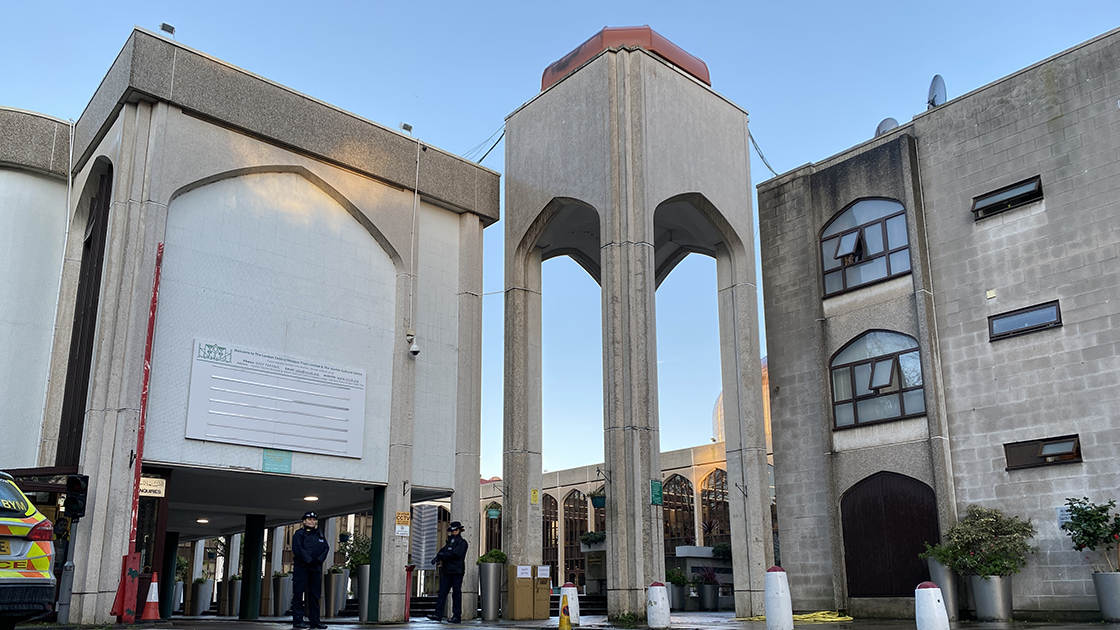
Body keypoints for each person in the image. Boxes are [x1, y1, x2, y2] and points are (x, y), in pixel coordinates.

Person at [291, 511, 329, 629]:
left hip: (315, 569)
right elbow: (298, 549)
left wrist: (318, 560)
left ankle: (315, 621)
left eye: (314, 519)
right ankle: (298, 621)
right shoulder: (299, 534)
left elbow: (326, 548)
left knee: (315, 595)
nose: (312, 521)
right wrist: (309, 560)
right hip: (302, 567)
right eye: (309, 520)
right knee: (298, 594)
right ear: (304, 521)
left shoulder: (319, 534)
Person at [427, 521, 468, 623]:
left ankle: (457, 615)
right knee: (442, 592)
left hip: (457, 571)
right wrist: (438, 557)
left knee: (456, 593)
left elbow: (456, 554)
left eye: (455, 531)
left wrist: (443, 555)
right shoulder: (449, 542)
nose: (453, 533)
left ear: (459, 530)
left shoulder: (462, 543)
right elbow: (442, 552)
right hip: (447, 571)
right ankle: (438, 614)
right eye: (452, 531)